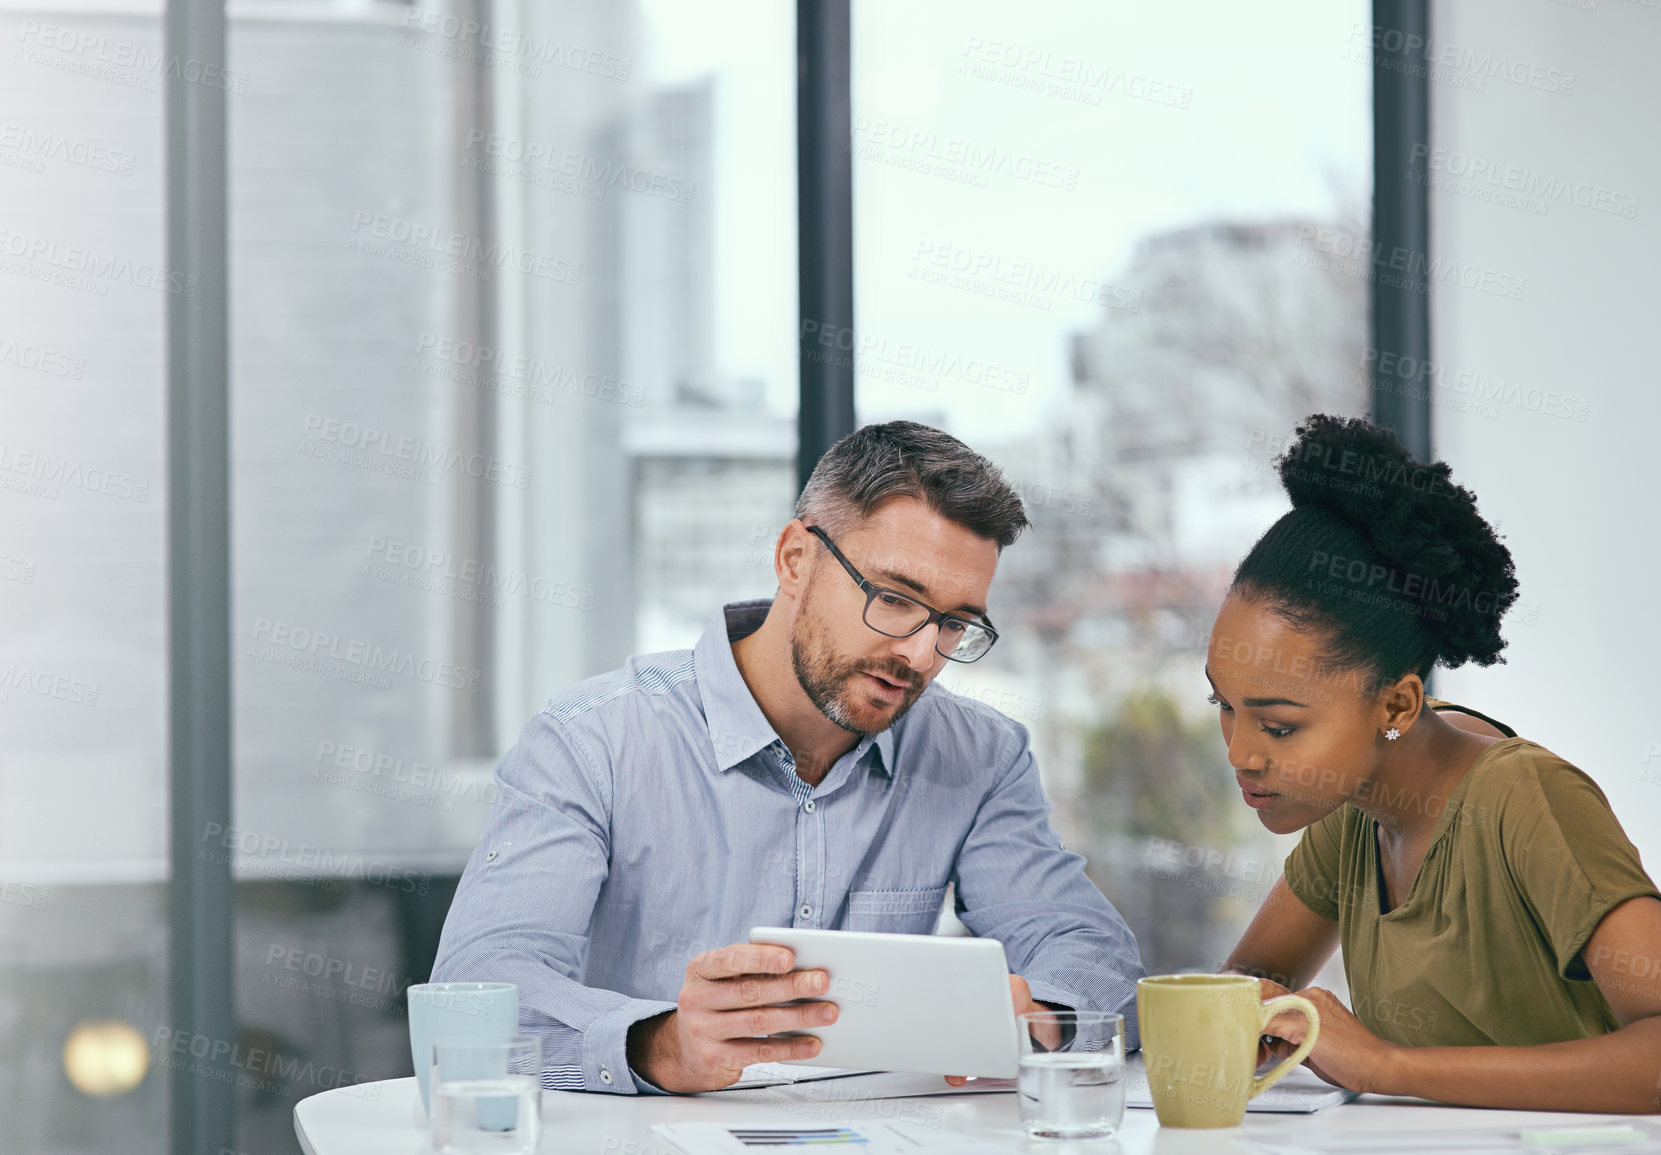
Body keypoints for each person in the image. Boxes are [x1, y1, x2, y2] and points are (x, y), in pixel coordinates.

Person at [431, 421, 1143, 1094]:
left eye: (955, 622)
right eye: (894, 598)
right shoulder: (594, 740)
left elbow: (1087, 948)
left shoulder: (979, 755)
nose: (921, 654)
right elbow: (480, 994)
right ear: (794, 559)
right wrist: (665, 1044)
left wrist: (1042, 1014)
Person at [1210, 414, 1661, 1113]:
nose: (1241, 752)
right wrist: (1258, 1011)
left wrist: (1385, 1065)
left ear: (1396, 706)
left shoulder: (1524, 797)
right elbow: (1253, 976)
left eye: (1277, 725)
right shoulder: (1352, 807)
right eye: (1224, 706)